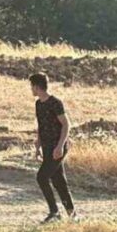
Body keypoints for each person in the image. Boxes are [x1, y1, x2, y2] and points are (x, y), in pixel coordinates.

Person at [31, 73, 76, 223]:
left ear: (37, 86)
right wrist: (38, 144)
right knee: (59, 181)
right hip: (47, 147)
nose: (31, 89)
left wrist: (60, 146)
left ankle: (54, 212)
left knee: (42, 177)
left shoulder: (55, 103)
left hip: (58, 147)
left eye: (32, 86)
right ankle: (72, 215)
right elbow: (41, 125)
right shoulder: (38, 104)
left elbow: (66, 124)